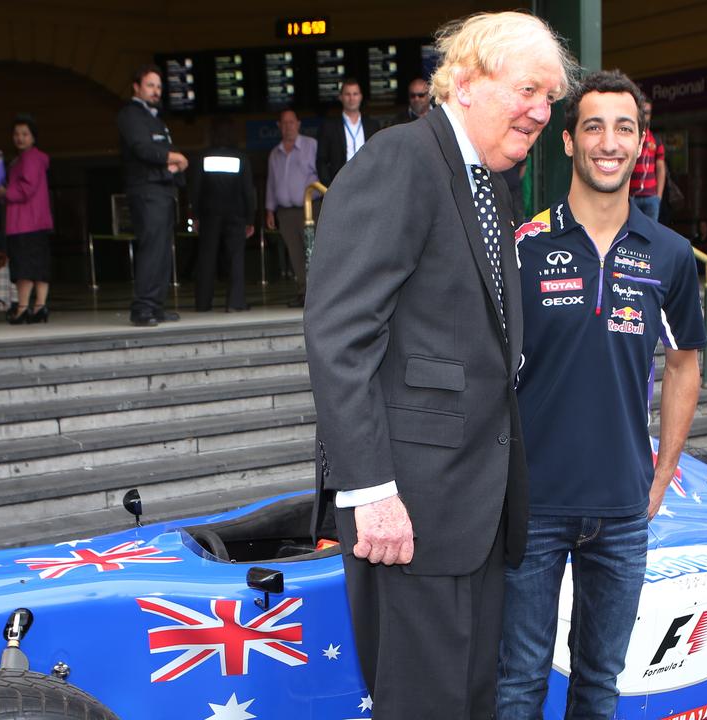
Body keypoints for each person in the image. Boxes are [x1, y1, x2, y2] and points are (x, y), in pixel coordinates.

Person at [302, 11, 573, 717]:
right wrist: (371, 491)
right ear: (466, 79)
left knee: (470, 701)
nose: (542, 111)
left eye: (551, 98)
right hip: (410, 513)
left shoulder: (491, 183)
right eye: (528, 90)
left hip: (474, 510)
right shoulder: (401, 159)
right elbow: (340, 334)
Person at [500, 70, 704, 719]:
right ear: (568, 141)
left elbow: (684, 362)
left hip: (622, 509)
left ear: (642, 143)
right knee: (517, 683)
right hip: (531, 505)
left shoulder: (670, 255)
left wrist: (664, 469)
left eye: (624, 128)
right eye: (593, 126)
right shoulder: (523, 248)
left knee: (599, 684)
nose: (608, 142)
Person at [117, 63, 188, 327]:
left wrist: (174, 163)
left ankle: (155, 304)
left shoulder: (155, 117)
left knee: (161, 249)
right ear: (137, 86)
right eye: (150, 85)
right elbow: (142, 148)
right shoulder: (130, 115)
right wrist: (174, 157)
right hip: (146, 190)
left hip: (162, 189)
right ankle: (143, 307)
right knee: (151, 248)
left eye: (158, 86)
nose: (156, 91)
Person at [190, 118, 255, 312]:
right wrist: (250, 219)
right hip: (236, 214)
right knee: (236, 259)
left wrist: (195, 216)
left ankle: (203, 303)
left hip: (210, 214)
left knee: (206, 258)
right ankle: (235, 303)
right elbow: (247, 191)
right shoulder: (240, 158)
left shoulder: (204, 157)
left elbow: (195, 189)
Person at [0, 114, 53, 324]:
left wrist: (3, 192)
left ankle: (22, 308)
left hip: (23, 222)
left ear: (33, 137)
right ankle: (39, 306)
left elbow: (25, 189)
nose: (20, 138)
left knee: (23, 267)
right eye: (16, 134)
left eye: (25, 134)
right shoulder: (35, 158)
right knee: (39, 266)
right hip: (38, 221)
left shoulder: (28, 158)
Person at [265, 109, 321, 309]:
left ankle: (318, 295)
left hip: (309, 209)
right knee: (295, 254)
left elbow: (321, 172)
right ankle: (303, 292)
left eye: (291, 122)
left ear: (298, 124)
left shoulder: (311, 145)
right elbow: (272, 183)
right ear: (279, 126)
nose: (288, 126)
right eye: (284, 123)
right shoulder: (275, 153)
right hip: (285, 212)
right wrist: (269, 210)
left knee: (313, 252)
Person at [316, 78, 381, 186]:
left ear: (360, 97)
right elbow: (321, 161)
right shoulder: (329, 127)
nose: (352, 98)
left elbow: (380, 157)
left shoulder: (372, 126)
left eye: (355, 94)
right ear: (340, 97)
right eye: (347, 94)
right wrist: (329, 187)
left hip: (368, 184)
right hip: (341, 185)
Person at [628, 99, 666, 225]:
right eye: (643, 112)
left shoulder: (655, 139)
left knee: (651, 233)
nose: (645, 115)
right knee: (631, 230)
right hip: (632, 196)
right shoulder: (630, 138)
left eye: (648, 113)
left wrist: (658, 196)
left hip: (651, 196)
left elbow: (661, 169)